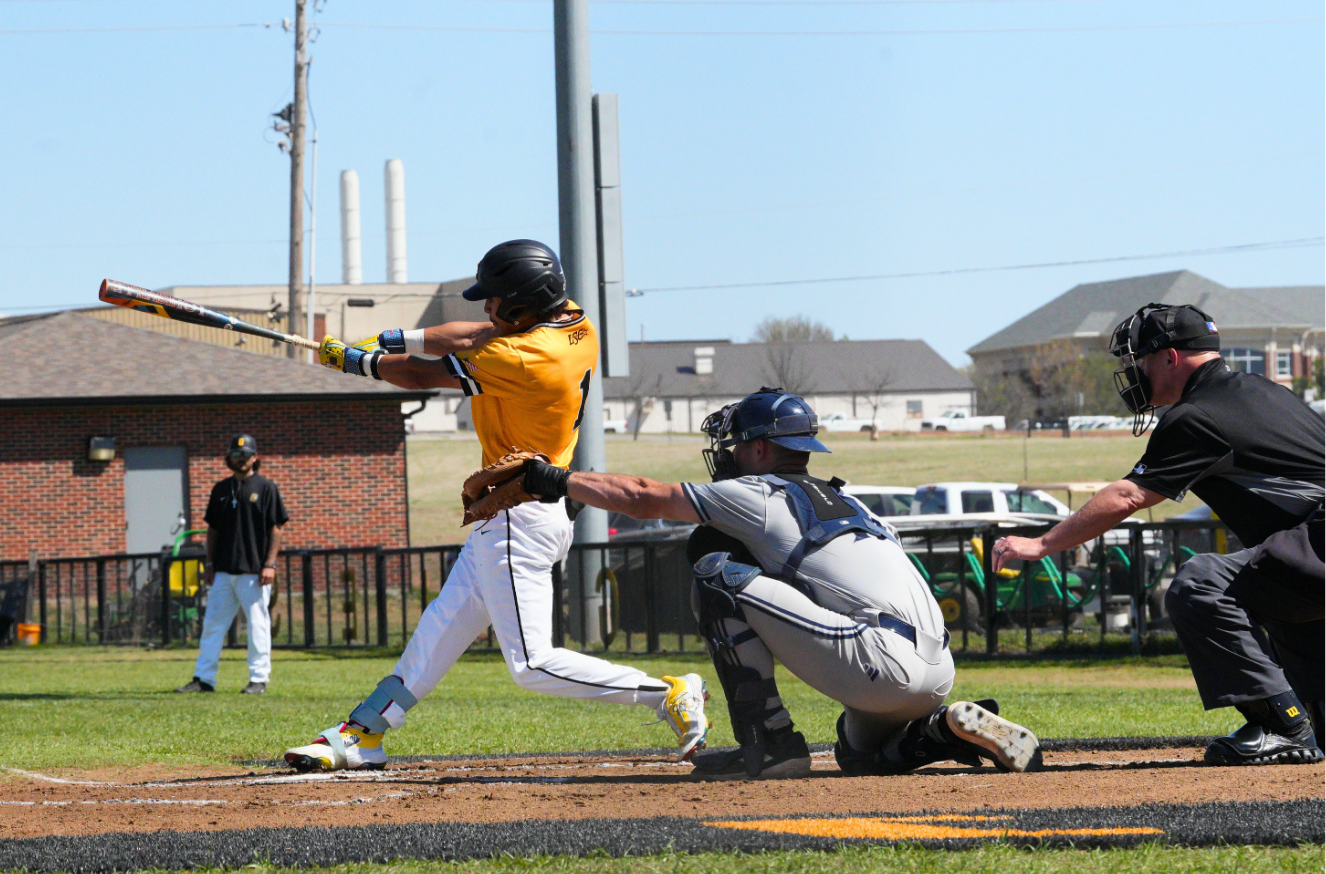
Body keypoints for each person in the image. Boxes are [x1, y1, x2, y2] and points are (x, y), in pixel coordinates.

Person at [281, 239, 705, 772]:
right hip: (509, 515)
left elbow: (420, 374)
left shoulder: (525, 358)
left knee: (531, 664)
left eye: (496, 299)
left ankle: (666, 691)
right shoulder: (573, 324)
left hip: (520, 518)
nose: (487, 308)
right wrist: (388, 338)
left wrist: (362, 364)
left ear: (525, 304)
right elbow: (473, 332)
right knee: (438, 632)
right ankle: (363, 733)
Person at [491, 387, 1041, 780]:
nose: (726, 454)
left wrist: (554, 479)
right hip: (935, 670)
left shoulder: (760, 492)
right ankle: (943, 728)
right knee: (859, 755)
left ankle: (771, 743)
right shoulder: (849, 500)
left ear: (758, 449)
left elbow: (641, 494)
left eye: (733, 444)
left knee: (714, 573)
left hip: (876, 660)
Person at [993, 304, 1324, 765]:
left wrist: (1041, 544)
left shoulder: (1197, 415)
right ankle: (1305, 721)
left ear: (1170, 358)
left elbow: (1128, 495)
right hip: (1312, 549)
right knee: (1281, 600)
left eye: (1141, 361)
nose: (1135, 373)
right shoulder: (1265, 391)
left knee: (1202, 585)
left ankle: (1282, 726)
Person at [175, 434, 288, 695]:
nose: (241, 458)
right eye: (236, 454)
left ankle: (258, 679)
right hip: (224, 570)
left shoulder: (266, 487)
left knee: (257, 625)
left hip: (255, 571)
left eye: (246, 454)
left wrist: (270, 564)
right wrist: (210, 563)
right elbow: (212, 530)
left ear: (255, 458)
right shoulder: (221, 490)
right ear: (229, 458)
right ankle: (203, 679)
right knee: (213, 624)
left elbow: (276, 529)